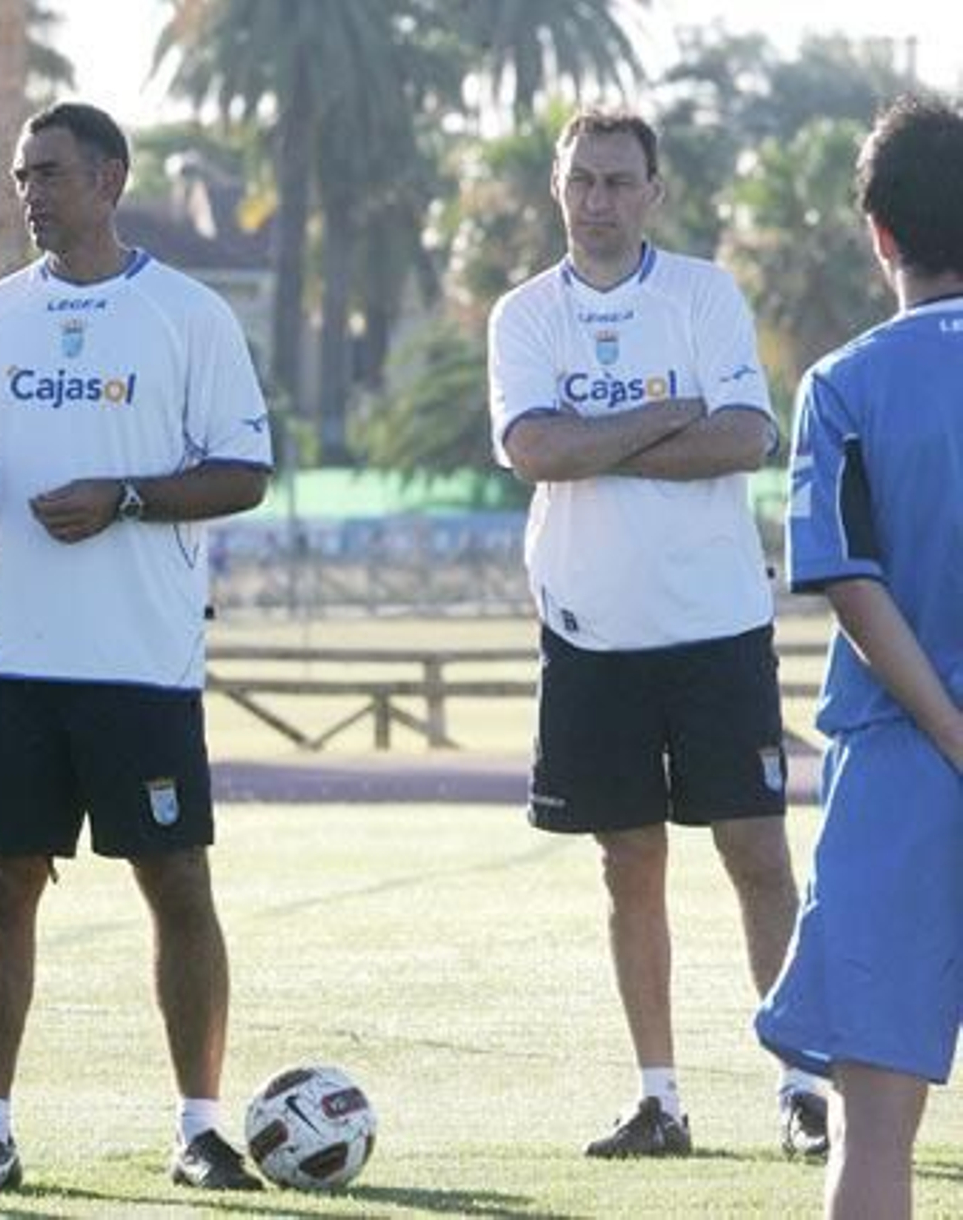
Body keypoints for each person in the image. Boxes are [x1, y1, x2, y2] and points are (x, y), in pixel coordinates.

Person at [0, 101, 272, 1194]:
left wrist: (124, 496)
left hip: (140, 659)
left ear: (110, 179)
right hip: (9, 655)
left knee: (176, 881)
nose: (30, 192)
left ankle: (200, 1129)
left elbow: (243, 474)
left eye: (51, 172)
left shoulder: (188, 315)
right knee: (3, 885)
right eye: (22, 175)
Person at [487, 107, 826, 1159]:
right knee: (627, 862)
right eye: (581, 180)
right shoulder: (524, 314)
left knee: (756, 853)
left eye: (618, 181)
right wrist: (662, 415)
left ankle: (803, 1087)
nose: (598, 199)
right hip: (589, 633)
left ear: (653, 192)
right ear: (558, 189)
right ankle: (660, 1100)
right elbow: (533, 451)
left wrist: (593, 440)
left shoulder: (703, 293)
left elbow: (744, 436)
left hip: (717, 625)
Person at [755, 95, 963, 1219]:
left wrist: (950, 732)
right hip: (908, 764)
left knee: (873, 1127)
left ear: (879, 232)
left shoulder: (840, 382)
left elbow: (850, 583)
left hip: (898, 777)